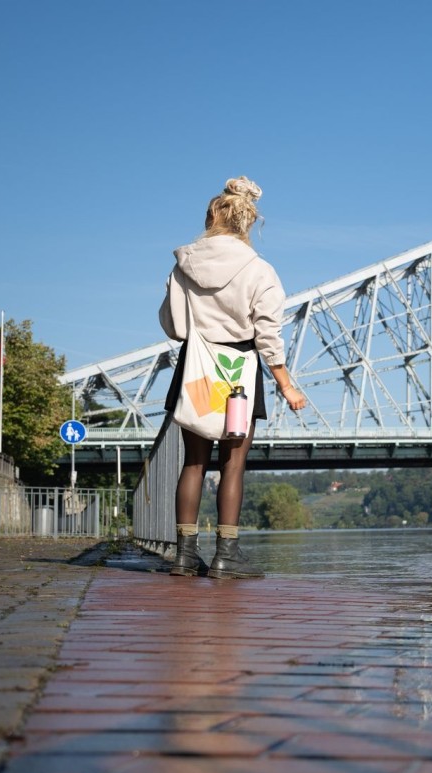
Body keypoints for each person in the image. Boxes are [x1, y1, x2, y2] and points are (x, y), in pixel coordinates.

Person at [158, 176, 306, 579]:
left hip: (197, 367)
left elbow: (172, 325)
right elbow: (267, 334)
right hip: (238, 372)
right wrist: (286, 384)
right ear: (248, 223)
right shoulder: (260, 270)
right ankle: (227, 555)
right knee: (233, 466)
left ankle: (185, 556)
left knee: (193, 463)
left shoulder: (183, 263)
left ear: (211, 216)